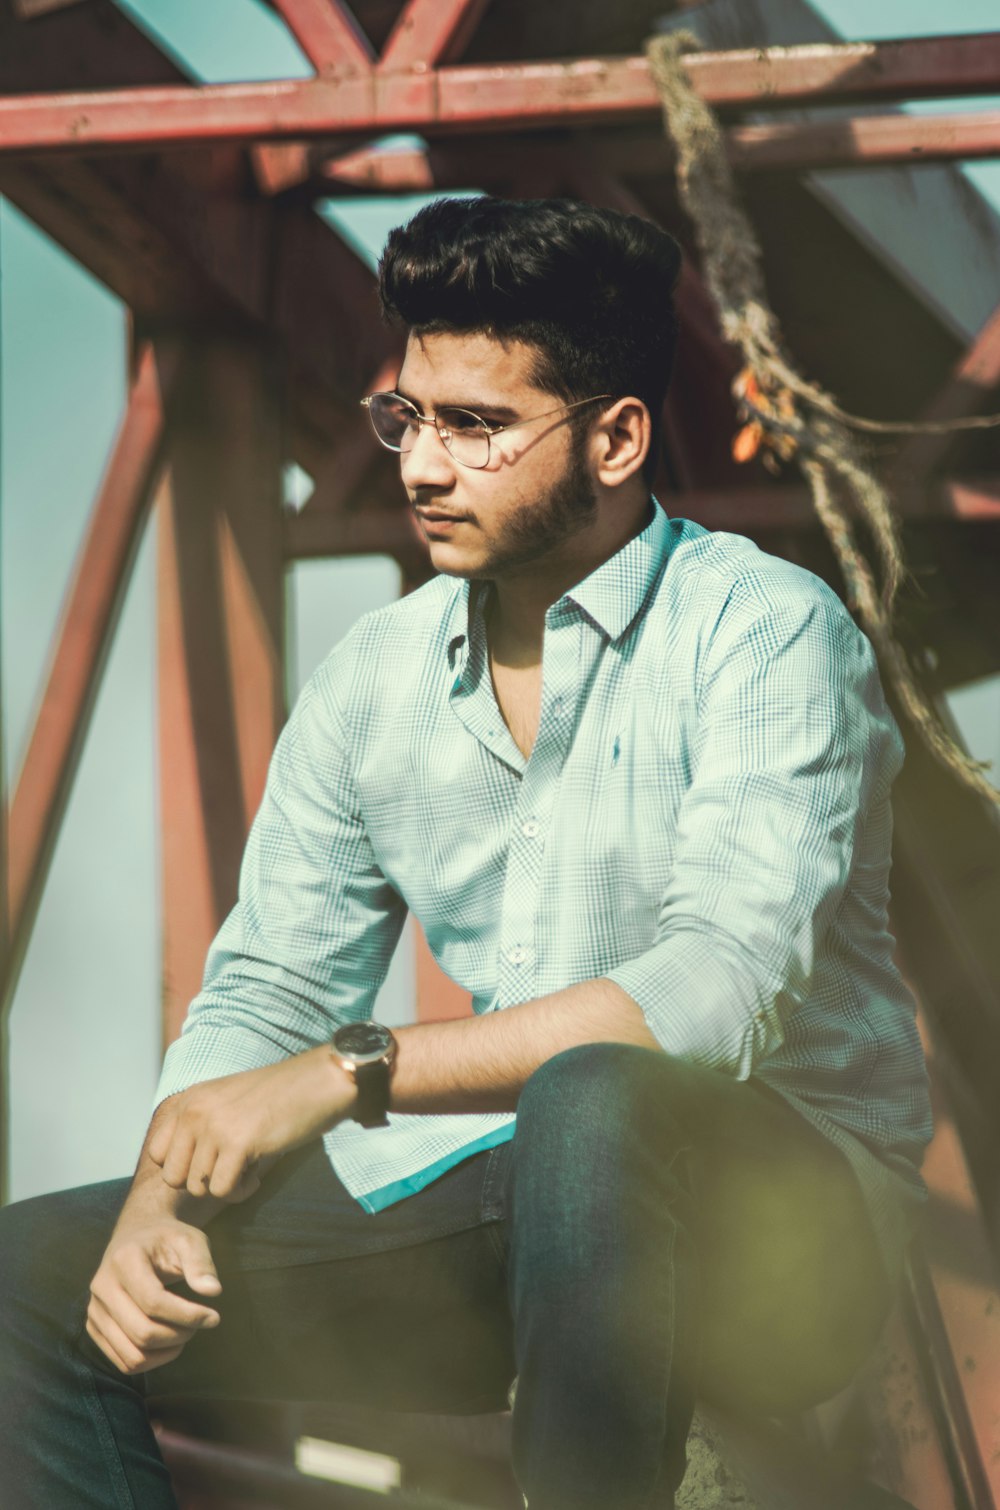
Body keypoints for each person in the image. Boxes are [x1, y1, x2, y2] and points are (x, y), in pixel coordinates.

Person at [0, 196, 932, 1510]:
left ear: (614, 437)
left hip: (780, 1240)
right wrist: (164, 1195)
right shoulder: (377, 677)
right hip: (508, 1217)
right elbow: (268, 986)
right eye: (408, 418)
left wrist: (349, 1071)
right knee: (30, 1277)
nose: (423, 467)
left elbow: (710, 998)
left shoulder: (770, 632)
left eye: (476, 425)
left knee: (593, 1099)